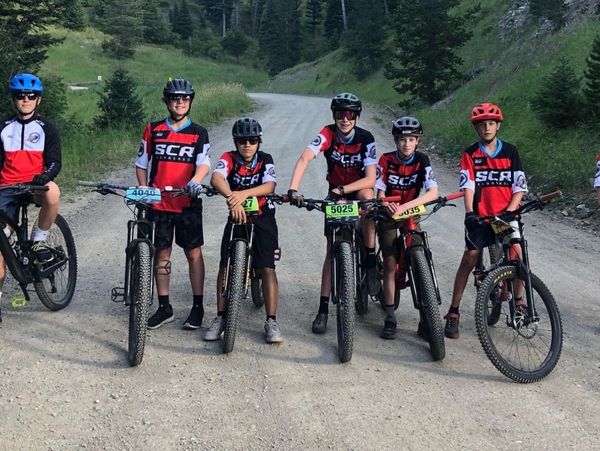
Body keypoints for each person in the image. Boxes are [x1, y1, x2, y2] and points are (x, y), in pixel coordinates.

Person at [288, 92, 378, 334]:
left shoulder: (366, 138)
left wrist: (344, 189)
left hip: (357, 189)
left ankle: (370, 260)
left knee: (369, 199)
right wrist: (293, 188)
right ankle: (323, 309)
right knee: (331, 249)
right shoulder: (328, 133)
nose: (344, 119)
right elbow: (305, 157)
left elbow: (370, 178)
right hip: (336, 193)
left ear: (357, 117)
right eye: (340, 114)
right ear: (334, 116)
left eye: (350, 114)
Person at [445, 102, 527, 339]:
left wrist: (510, 211)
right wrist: (470, 212)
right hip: (482, 216)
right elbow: (468, 185)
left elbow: (519, 186)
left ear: (498, 126)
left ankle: (519, 303)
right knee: (470, 258)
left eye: (491, 123)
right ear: (476, 128)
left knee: (518, 256)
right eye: (482, 125)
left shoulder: (510, 151)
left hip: (505, 216)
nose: (487, 128)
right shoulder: (471, 153)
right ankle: (453, 311)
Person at [135, 78, 211, 330]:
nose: (180, 102)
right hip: (159, 203)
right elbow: (141, 163)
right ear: (167, 101)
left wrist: (196, 180)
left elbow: (203, 163)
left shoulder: (199, 132)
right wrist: (144, 188)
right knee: (162, 253)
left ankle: (197, 307)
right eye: (175, 98)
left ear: (190, 101)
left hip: (187, 202)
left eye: (185, 98)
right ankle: (164, 306)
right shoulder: (153, 129)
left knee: (193, 253)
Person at [205, 117, 282, 343]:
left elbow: (270, 186)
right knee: (224, 264)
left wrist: (242, 194)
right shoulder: (229, 158)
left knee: (267, 266)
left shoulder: (265, 159)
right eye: (242, 141)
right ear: (235, 142)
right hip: (237, 215)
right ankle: (221, 317)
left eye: (252, 141)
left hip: (263, 215)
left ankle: (271, 321)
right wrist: (232, 198)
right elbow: (216, 177)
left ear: (258, 142)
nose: (247, 145)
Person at [0, 73, 62, 322]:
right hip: (7, 187)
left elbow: (55, 161)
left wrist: (45, 175)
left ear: (38, 100)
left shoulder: (47, 128)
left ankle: (39, 240)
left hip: (35, 184)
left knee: (53, 191)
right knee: (1, 241)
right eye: (20, 96)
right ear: (13, 99)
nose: (25, 99)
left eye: (31, 96)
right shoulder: (4, 127)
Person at [375, 116, 438, 339]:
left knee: (420, 257)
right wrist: (387, 204)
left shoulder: (422, 160)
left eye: (411, 139)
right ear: (396, 140)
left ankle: (426, 318)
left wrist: (407, 206)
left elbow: (433, 191)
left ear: (418, 141)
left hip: (411, 214)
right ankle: (390, 316)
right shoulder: (386, 160)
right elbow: (380, 193)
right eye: (402, 139)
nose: (407, 144)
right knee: (390, 263)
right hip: (389, 215)